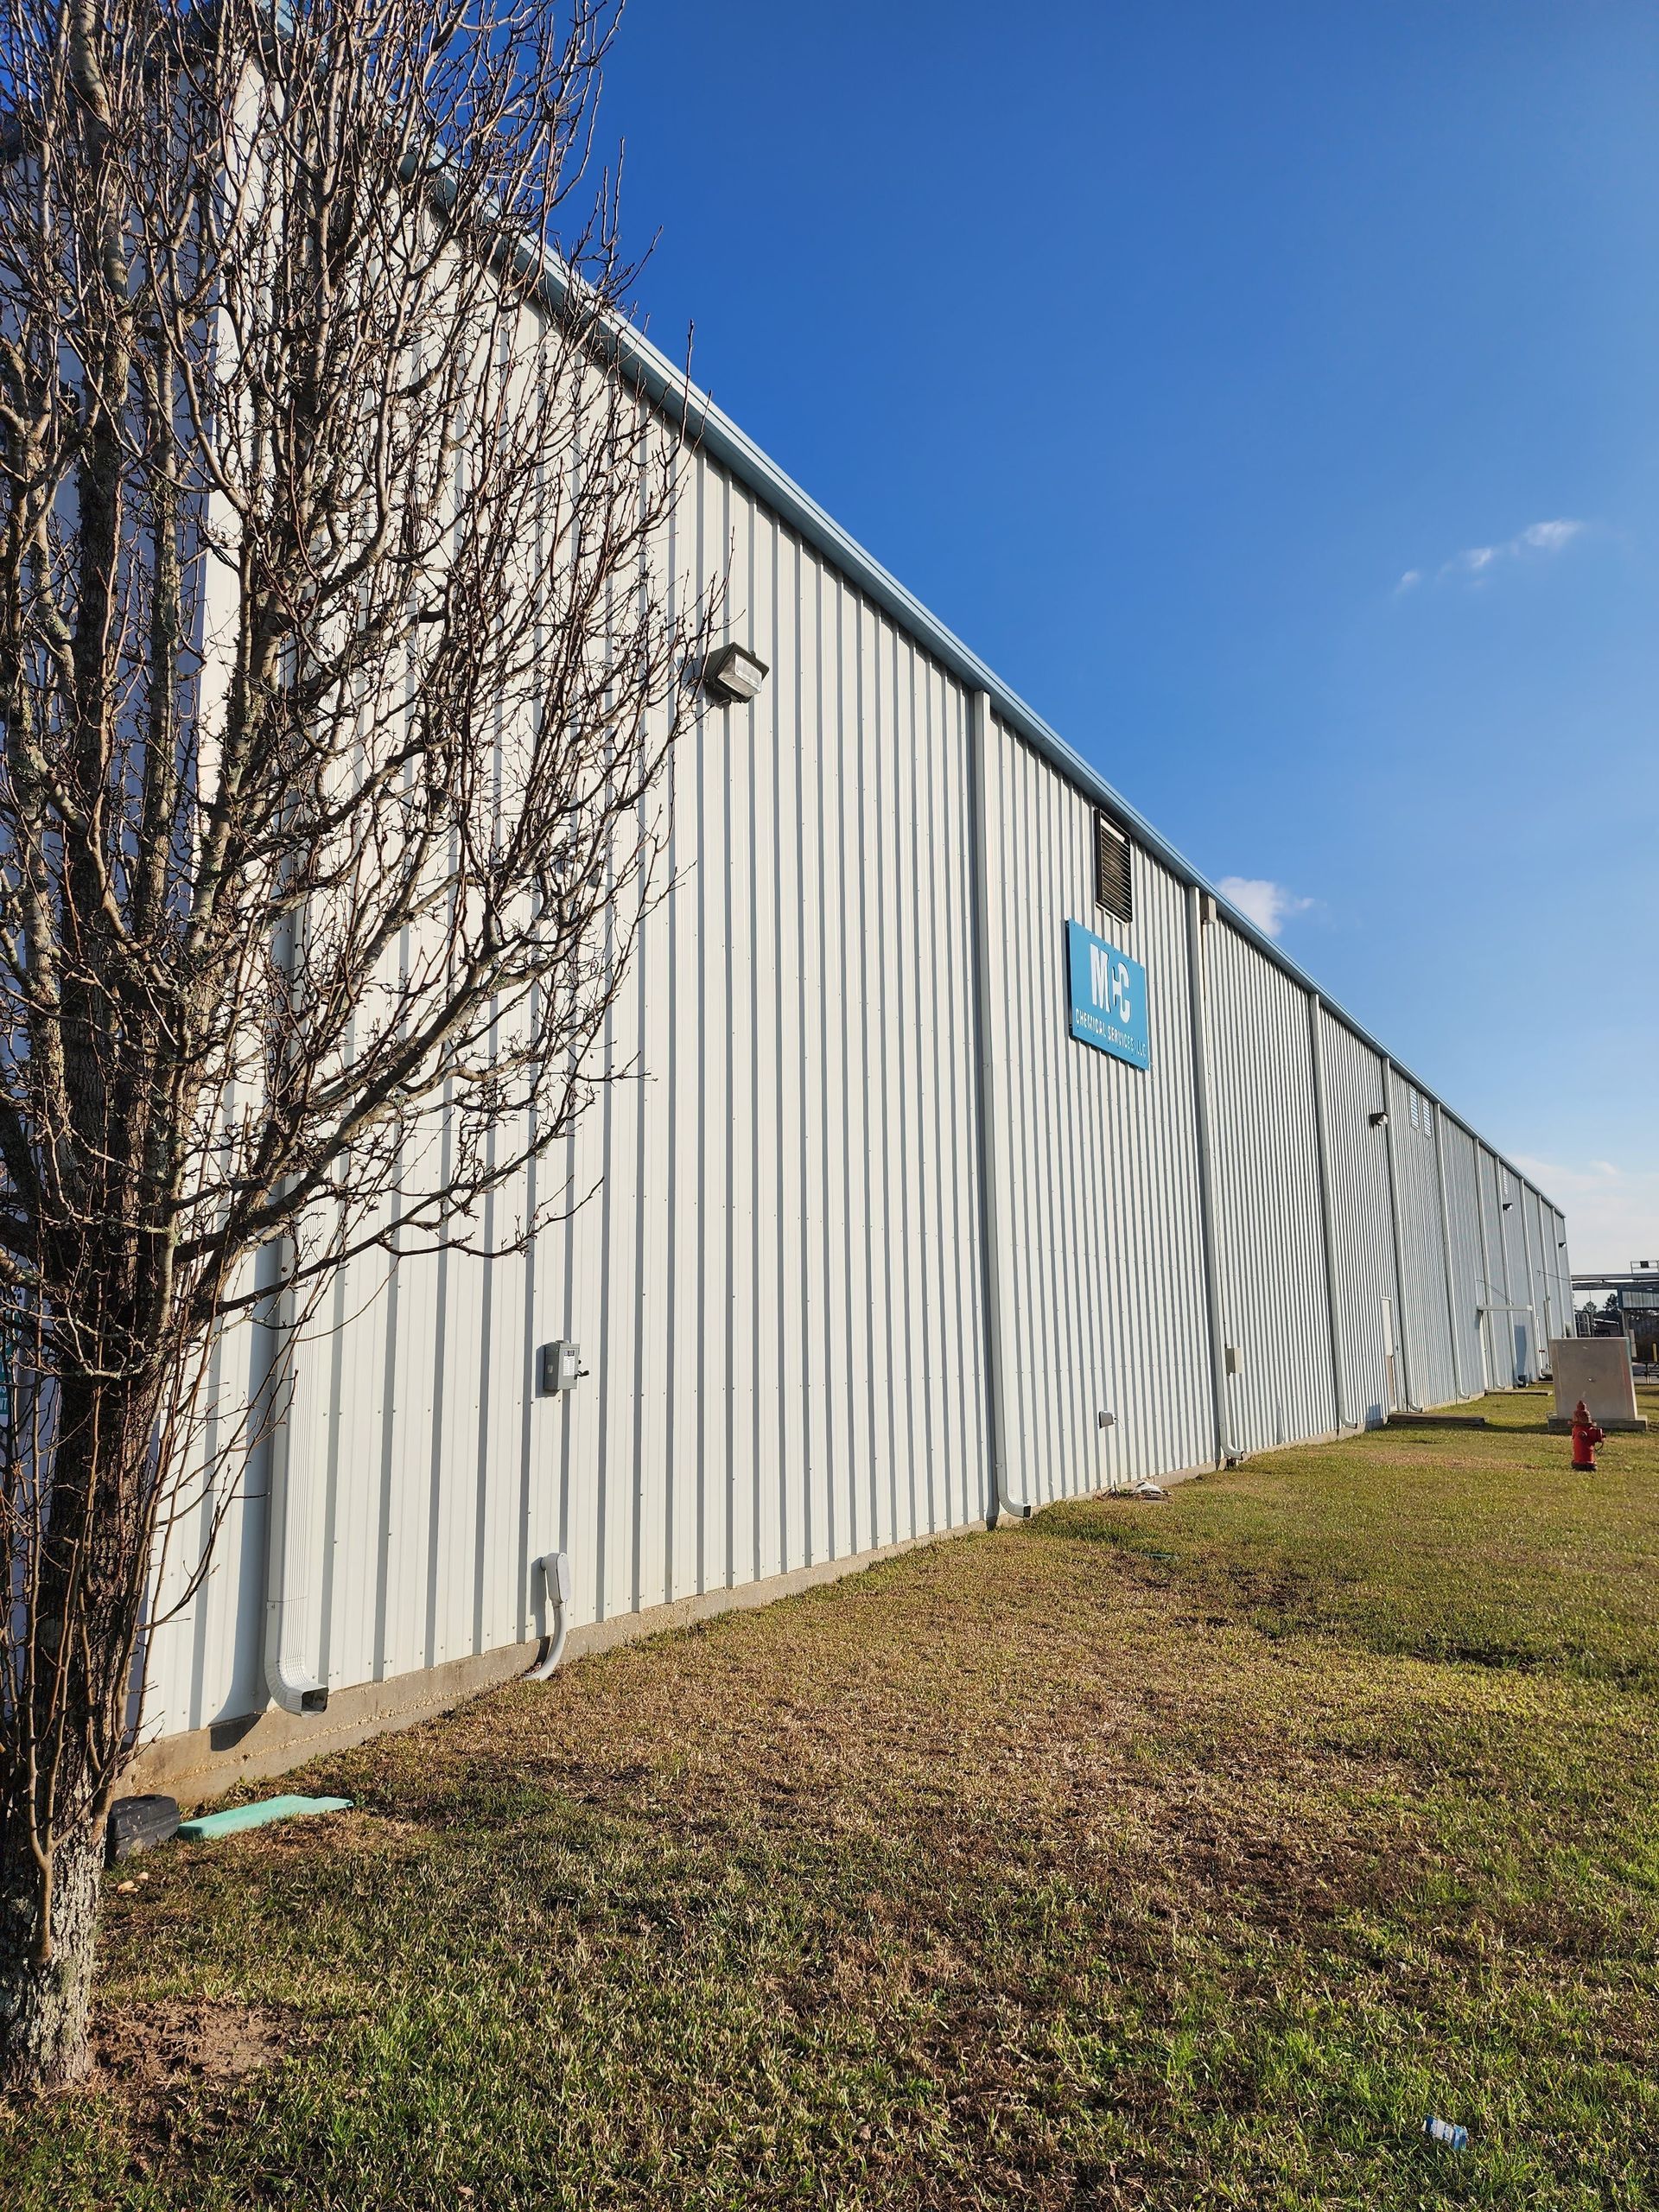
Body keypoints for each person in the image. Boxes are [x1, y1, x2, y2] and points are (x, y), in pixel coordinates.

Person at [1570, 1399, 1605, 1472]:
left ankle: (1580, 1461)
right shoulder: (1582, 1430)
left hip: (1578, 1462)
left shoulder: (1577, 1429)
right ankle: (1587, 1461)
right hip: (1589, 1464)